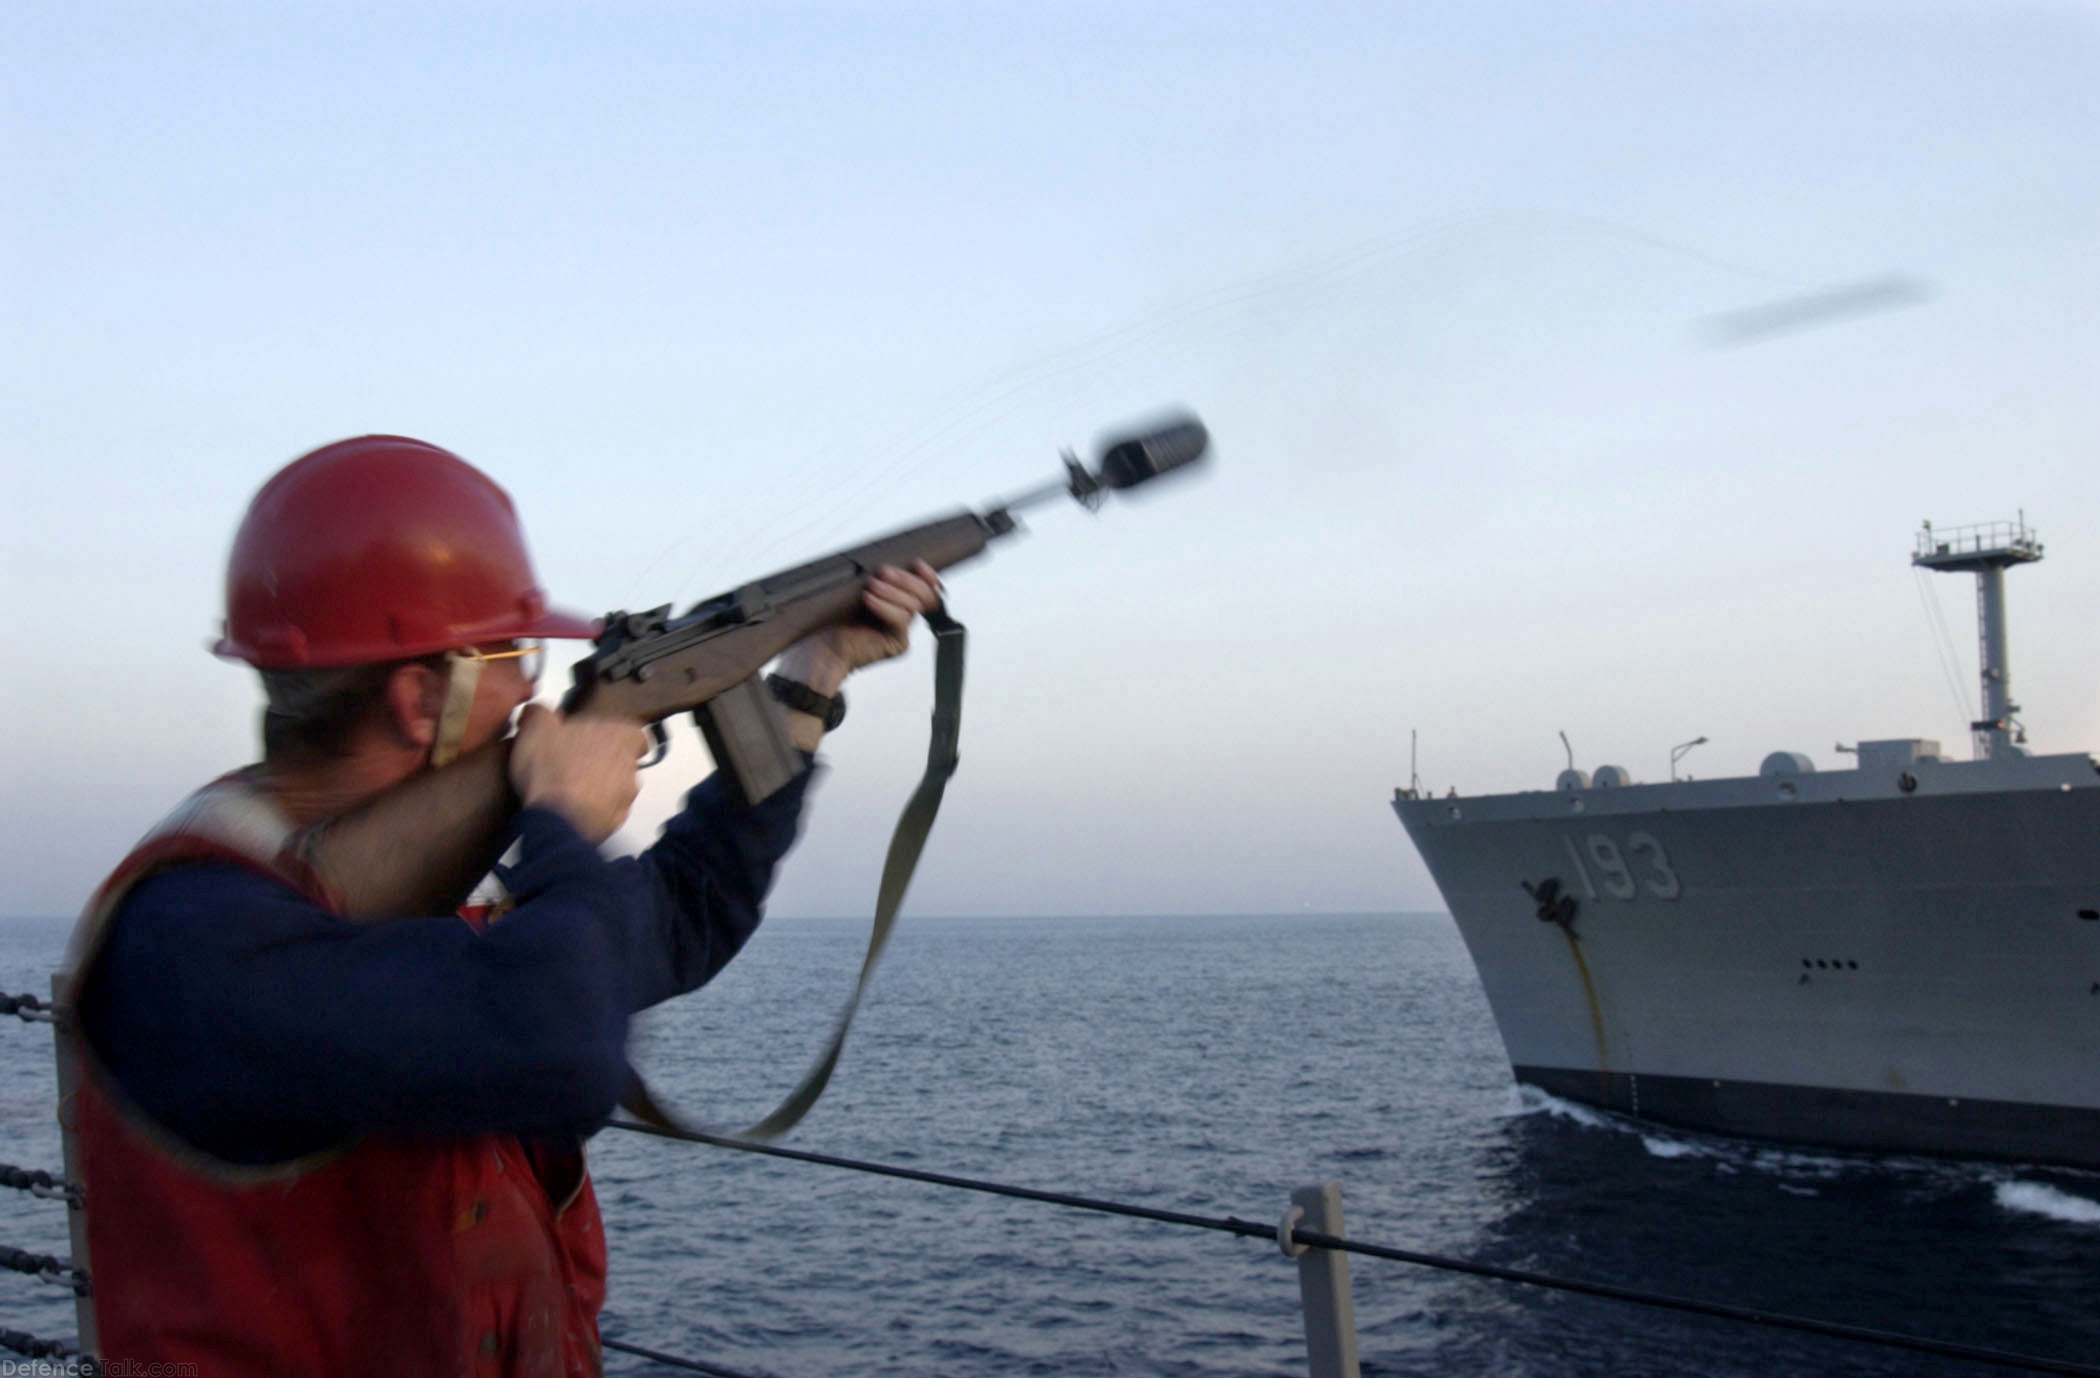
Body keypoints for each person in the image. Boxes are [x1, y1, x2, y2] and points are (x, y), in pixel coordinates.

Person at [62, 434, 943, 1376]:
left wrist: (810, 678)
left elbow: (687, 912)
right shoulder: (186, 944)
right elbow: (563, 1047)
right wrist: (562, 822)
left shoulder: (442, 894)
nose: (542, 690)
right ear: (420, 698)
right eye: (516, 654)